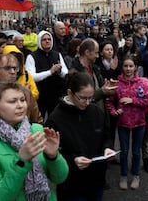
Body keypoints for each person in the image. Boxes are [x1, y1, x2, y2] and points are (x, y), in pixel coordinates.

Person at [0, 82, 68, 200]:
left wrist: (53, 157)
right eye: (12, 101)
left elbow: (60, 178)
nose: (20, 105)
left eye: (22, 100)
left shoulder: (37, 130)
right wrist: (21, 161)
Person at [45, 72, 115, 201]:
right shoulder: (55, 119)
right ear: (70, 93)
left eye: (91, 97)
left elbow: (106, 136)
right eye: (83, 98)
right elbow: (52, 155)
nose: (88, 102)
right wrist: (72, 161)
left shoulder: (96, 112)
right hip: (71, 185)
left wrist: (107, 147)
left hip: (97, 180)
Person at [106, 56, 148, 190]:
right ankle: (123, 175)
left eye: (131, 66)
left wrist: (132, 101)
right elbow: (109, 102)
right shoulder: (117, 83)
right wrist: (114, 111)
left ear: (135, 68)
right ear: (122, 67)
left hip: (140, 122)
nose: (128, 69)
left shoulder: (142, 83)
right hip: (123, 123)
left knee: (136, 152)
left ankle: (135, 175)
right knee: (124, 151)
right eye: (126, 66)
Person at [25, 30, 68, 117]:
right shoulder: (32, 56)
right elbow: (31, 77)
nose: (47, 41)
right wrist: (49, 72)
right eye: (44, 40)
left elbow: (65, 72)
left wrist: (59, 72)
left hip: (56, 95)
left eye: (49, 39)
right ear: (39, 41)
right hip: (40, 96)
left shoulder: (57, 54)